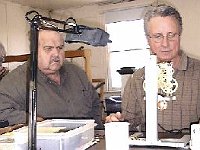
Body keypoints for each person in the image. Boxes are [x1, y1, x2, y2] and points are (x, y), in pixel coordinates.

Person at [106, 4, 200, 132]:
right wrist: (118, 122)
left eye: (171, 35)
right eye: (157, 36)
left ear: (180, 35)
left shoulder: (198, 72)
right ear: (148, 40)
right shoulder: (137, 79)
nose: (165, 44)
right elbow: (130, 122)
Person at [0, 29, 103, 128]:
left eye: (60, 47)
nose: (56, 54)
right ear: (34, 51)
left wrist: (100, 127)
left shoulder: (77, 73)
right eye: (48, 48)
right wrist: (36, 122)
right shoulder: (14, 82)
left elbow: (95, 104)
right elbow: (2, 113)